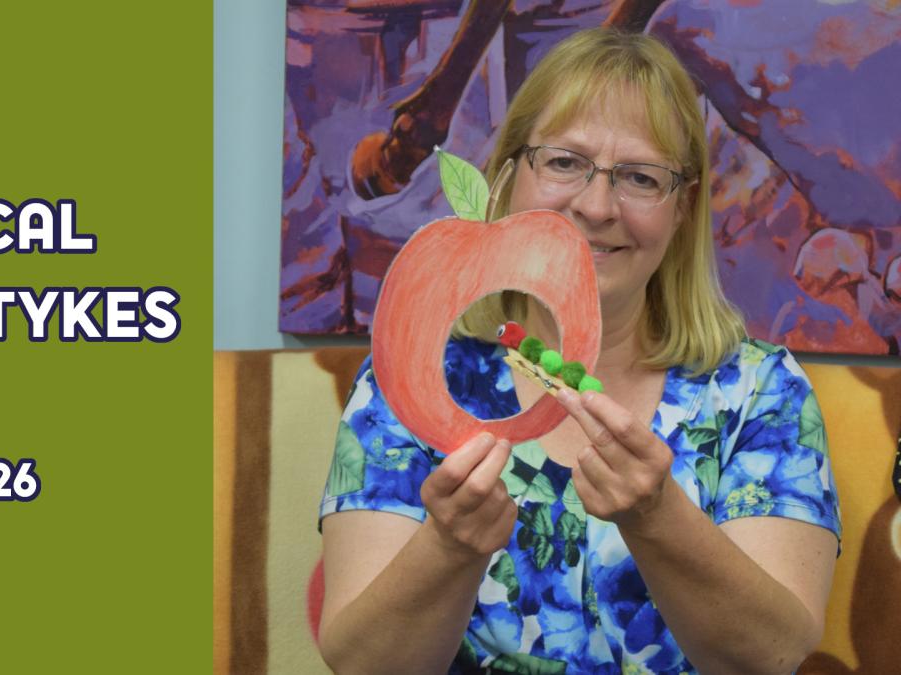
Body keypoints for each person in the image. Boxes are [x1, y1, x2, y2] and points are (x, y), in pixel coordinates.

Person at [317, 27, 840, 675]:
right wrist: (449, 546)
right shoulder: (413, 379)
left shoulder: (761, 391)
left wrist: (658, 518)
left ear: (684, 208)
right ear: (508, 177)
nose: (596, 206)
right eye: (565, 162)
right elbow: (362, 663)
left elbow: (772, 656)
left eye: (640, 177)